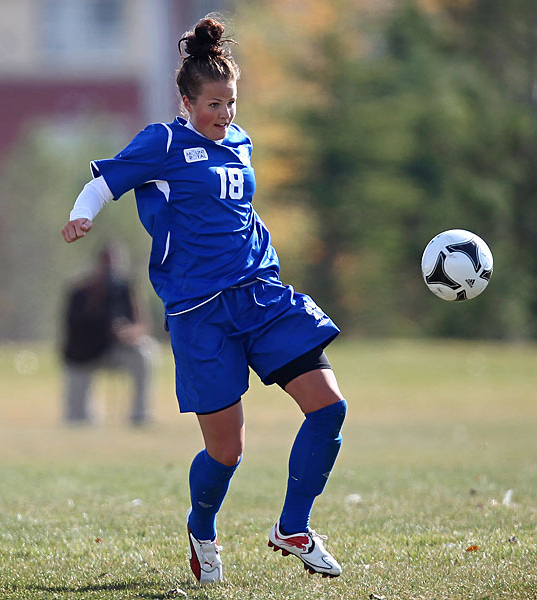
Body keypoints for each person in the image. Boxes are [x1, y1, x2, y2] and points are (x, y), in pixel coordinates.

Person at [60, 15, 347, 583]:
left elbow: (234, 212)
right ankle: (203, 527)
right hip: (200, 315)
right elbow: (103, 183)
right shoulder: (163, 142)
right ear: (186, 99)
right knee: (226, 450)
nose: (224, 114)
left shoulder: (239, 142)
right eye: (213, 104)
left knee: (329, 407)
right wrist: (80, 215)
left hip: (261, 296)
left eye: (231, 103)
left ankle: (293, 527)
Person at [61, 243, 153, 426]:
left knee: (145, 351)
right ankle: (82, 418)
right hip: (84, 353)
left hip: (115, 350)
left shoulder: (125, 289)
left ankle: (139, 414)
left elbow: (142, 324)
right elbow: (72, 328)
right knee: (78, 420)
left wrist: (127, 333)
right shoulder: (80, 291)